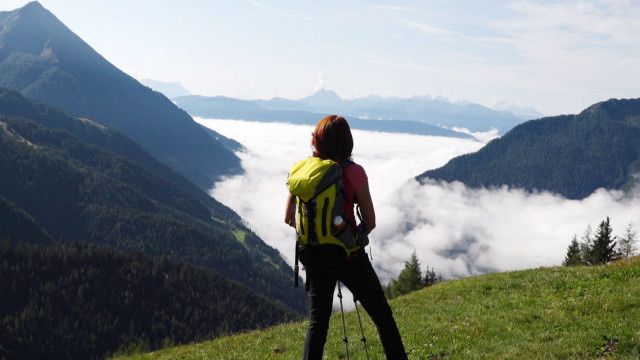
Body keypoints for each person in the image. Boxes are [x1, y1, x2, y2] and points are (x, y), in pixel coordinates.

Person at [284, 115, 408, 360]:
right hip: (348, 255)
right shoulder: (353, 172)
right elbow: (370, 222)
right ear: (347, 142)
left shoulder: (304, 172)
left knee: (317, 323)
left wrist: (318, 232)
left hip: (314, 254)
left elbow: (288, 217)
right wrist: (351, 238)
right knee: (382, 317)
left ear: (318, 141)